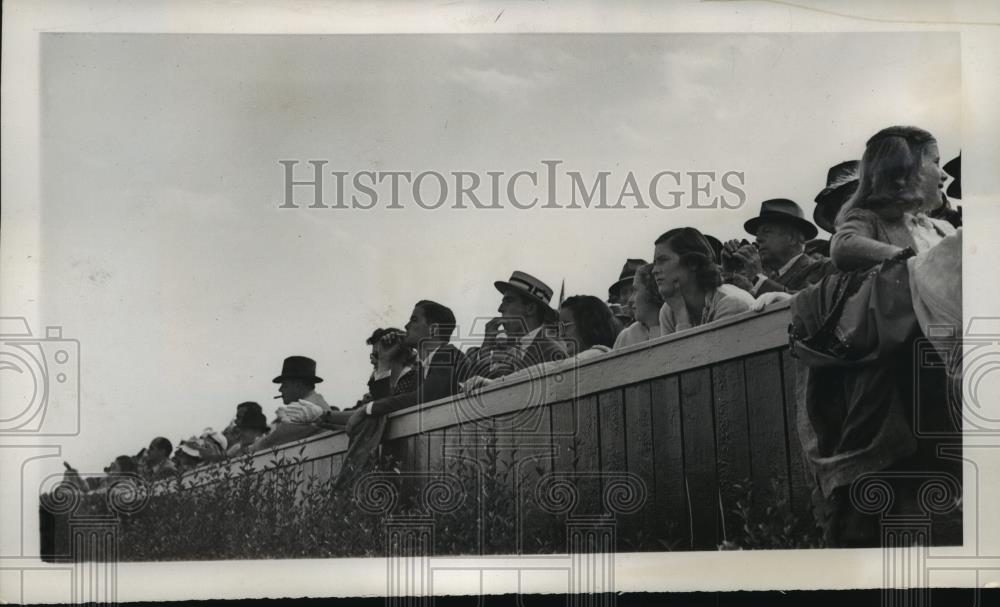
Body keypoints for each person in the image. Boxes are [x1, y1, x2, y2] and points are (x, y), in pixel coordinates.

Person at [321, 300, 469, 434]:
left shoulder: (448, 354)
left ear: (433, 329)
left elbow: (422, 398)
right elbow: (386, 409)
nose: (406, 326)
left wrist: (367, 409)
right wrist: (384, 361)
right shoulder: (422, 369)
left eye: (414, 319)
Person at [830, 126, 956, 271]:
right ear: (904, 170)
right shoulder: (871, 220)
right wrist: (905, 258)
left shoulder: (946, 228)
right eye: (936, 162)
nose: (945, 175)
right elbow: (843, 246)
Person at [464, 295, 618, 391]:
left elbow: (546, 370)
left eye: (565, 325)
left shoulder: (554, 349)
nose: (561, 333)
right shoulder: (509, 349)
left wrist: (493, 384)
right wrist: (486, 349)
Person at [464, 271, 567, 380]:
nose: (500, 308)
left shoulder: (552, 352)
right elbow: (476, 390)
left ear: (530, 309)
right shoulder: (507, 349)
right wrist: (486, 346)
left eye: (508, 301)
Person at [722, 198, 836, 295]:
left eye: (767, 231)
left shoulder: (822, 269)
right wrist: (730, 273)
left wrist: (758, 278)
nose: (758, 239)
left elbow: (804, 305)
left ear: (791, 238)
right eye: (757, 234)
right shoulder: (768, 278)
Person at [653, 227, 753, 335]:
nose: (654, 271)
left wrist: (682, 318)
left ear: (693, 263)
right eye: (654, 263)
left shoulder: (730, 304)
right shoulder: (669, 310)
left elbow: (705, 352)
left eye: (662, 260)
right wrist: (680, 312)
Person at [252, 356, 333, 451]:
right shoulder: (316, 402)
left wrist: (253, 447)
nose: (280, 389)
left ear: (297, 384)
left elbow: (276, 438)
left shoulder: (307, 408)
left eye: (284, 385)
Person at [613, 263, 664, 349]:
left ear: (652, 290)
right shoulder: (626, 337)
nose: (629, 300)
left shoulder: (675, 324)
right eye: (624, 292)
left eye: (634, 290)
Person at [607, 258, 647, 324]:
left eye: (634, 290)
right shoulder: (623, 332)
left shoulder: (667, 318)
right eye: (624, 292)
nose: (629, 298)